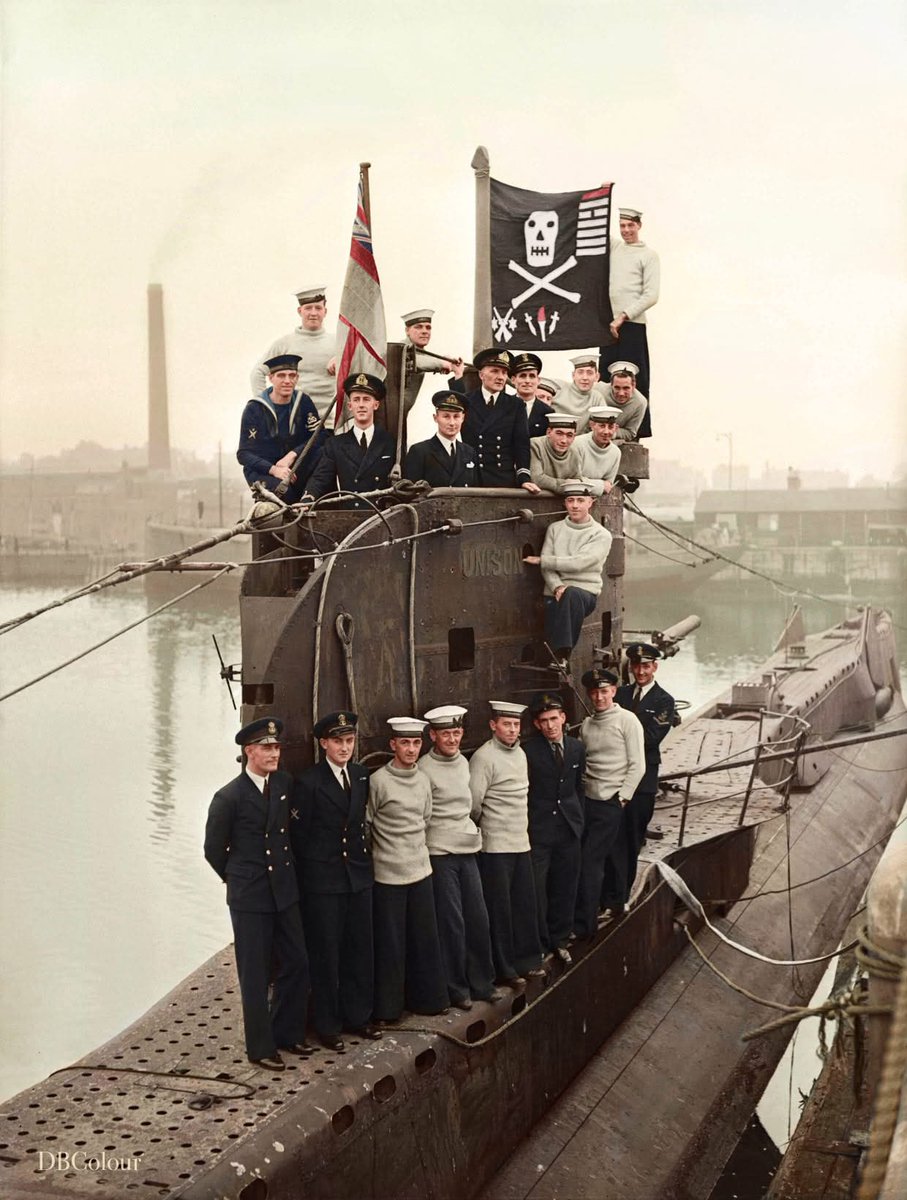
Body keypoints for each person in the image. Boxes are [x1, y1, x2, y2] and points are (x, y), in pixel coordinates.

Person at [204, 717, 309, 1071]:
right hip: (250, 896)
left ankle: (287, 1033)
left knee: (296, 961)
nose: (274, 753)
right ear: (249, 751)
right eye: (267, 748)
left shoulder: (282, 784)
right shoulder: (228, 797)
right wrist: (238, 879)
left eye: (277, 747)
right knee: (255, 973)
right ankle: (261, 1048)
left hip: (284, 890)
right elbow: (214, 851)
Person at [291, 710, 381, 1052]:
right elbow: (300, 838)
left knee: (359, 949)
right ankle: (328, 1025)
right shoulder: (309, 783)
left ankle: (358, 1017)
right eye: (338, 741)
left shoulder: (359, 776)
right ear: (323, 743)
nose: (345, 747)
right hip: (324, 882)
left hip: (357, 877)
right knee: (327, 953)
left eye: (349, 740)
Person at [419, 704, 501, 1010]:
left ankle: (483, 983)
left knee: (478, 918)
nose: (452, 739)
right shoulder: (425, 769)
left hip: (467, 849)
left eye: (456, 733)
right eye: (445, 734)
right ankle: (457, 989)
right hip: (441, 853)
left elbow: (472, 806)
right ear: (432, 736)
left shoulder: (464, 763)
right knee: (452, 923)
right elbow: (425, 815)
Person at [367, 717, 449, 1022]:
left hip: (420, 871)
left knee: (423, 939)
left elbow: (425, 819)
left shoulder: (423, 780)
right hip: (388, 875)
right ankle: (388, 1009)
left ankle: (427, 1000)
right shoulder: (378, 781)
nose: (411, 749)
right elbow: (369, 823)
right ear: (393, 745)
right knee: (391, 943)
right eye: (405, 743)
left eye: (416, 743)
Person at [469, 700, 545, 985]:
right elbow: (474, 804)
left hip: (520, 842)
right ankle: (504, 968)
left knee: (524, 905)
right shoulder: (483, 758)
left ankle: (526, 960)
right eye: (506, 724)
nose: (512, 730)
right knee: (500, 910)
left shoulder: (520, 754)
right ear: (493, 725)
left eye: (516, 725)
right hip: (496, 847)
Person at [573, 668, 645, 939]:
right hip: (588, 800)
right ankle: (608, 903)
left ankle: (585, 924)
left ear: (614, 691)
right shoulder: (588, 725)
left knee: (590, 860)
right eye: (594, 692)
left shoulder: (628, 721)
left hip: (611, 800)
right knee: (603, 855)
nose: (599, 697)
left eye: (604, 691)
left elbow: (638, 765)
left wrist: (622, 798)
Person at [523, 691, 585, 965]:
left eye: (553, 718)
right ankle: (539, 943)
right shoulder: (529, 752)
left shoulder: (575, 748)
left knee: (565, 886)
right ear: (537, 725)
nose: (549, 725)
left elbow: (577, 788)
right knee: (537, 890)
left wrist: (578, 821)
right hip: (540, 831)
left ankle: (560, 939)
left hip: (568, 829)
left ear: (563, 718)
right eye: (543, 721)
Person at [523, 481, 613, 669]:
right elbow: (548, 570)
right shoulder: (555, 529)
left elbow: (580, 563)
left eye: (581, 500)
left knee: (571, 594)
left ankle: (561, 655)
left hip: (584, 595)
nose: (575, 505)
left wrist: (542, 560)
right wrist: (556, 586)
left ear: (591, 502)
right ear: (565, 503)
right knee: (560, 600)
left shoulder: (601, 535)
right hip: (554, 593)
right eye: (570, 500)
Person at [614, 643, 676, 904]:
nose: (640, 671)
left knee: (631, 839)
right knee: (612, 839)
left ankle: (622, 897)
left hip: (643, 782)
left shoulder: (664, 701)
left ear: (655, 667)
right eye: (636, 666)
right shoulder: (621, 694)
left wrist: (618, 736)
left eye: (646, 666)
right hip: (616, 777)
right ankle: (609, 894)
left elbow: (651, 739)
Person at [599, 207, 659, 438]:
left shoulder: (648, 255)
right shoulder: (615, 248)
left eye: (630, 226)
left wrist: (623, 316)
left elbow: (651, 294)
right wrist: (602, 196)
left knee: (635, 380)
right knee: (606, 379)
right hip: (608, 327)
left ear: (639, 226)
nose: (626, 230)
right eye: (622, 226)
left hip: (632, 325)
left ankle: (636, 433)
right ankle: (603, 428)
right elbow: (598, 230)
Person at [236, 354, 323, 501]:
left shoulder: (303, 401)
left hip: (293, 467)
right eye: (281, 376)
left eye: (292, 376)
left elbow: (319, 436)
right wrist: (274, 470)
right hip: (264, 470)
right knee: (285, 495)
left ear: (297, 378)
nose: (287, 381)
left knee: (325, 451)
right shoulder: (255, 408)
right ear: (271, 378)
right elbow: (244, 454)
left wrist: (292, 455)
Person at [304, 373, 396, 509]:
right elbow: (320, 478)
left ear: (376, 405)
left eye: (366, 400)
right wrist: (308, 498)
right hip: (349, 515)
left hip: (381, 516)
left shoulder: (390, 442)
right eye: (356, 400)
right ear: (349, 406)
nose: (361, 405)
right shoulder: (335, 444)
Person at [251, 287, 338, 429]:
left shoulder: (338, 343)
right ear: (300, 311)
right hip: (294, 425)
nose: (313, 313)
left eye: (318, 308)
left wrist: (341, 359)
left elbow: (360, 366)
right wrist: (266, 408)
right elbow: (257, 373)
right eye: (308, 308)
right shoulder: (285, 343)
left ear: (325, 311)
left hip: (328, 424)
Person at [461, 348, 540, 491]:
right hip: (472, 476)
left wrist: (523, 477)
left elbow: (521, 444)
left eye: (504, 372)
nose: (501, 377)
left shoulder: (515, 405)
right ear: (481, 374)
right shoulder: (466, 401)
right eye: (495, 371)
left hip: (502, 478)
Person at [403, 391, 477, 487]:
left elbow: (476, 493)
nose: (452, 422)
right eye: (446, 416)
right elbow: (410, 492)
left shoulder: (469, 452)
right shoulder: (420, 451)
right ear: (435, 418)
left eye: (456, 416)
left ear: (463, 418)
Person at [401, 309, 466, 384]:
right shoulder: (401, 349)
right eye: (418, 327)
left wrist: (449, 362)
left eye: (428, 328)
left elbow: (425, 359)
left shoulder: (420, 352)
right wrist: (442, 363)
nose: (425, 331)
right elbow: (414, 361)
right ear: (407, 331)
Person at [551, 354, 609, 433]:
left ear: (597, 377)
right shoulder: (558, 388)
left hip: (579, 442)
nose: (585, 377)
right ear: (573, 375)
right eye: (580, 372)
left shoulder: (597, 398)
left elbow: (603, 426)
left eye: (589, 373)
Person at [572, 405, 622, 495]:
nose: (606, 432)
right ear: (592, 425)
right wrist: (600, 486)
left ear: (616, 428)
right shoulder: (577, 444)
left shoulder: (615, 452)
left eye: (610, 427)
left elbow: (609, 485)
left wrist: (601, 486)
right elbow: (572, 481)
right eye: (602, 426)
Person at [529, 412, 583, 493]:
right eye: (559, 434)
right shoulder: (535, 445)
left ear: (574, 436)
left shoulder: (574, 452)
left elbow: (577, 480)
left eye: (569, 435)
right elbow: (536, 479)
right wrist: (565, 484)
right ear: (548, 432)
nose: (564, 440)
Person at [509, 351, 552, 438]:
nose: (527, 381)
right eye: (522, 376)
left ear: (538, 380)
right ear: (513, 380)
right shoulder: (502, 406)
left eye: (532, 376)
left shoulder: (548, 412)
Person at [602, 362, 648, 443]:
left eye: (626, 388)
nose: (621, 393)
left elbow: (631, 432)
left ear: (633, 386)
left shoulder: (640, 402)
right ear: (611, 384)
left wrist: (612, 433)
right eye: (617, 388)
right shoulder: (598, 391)